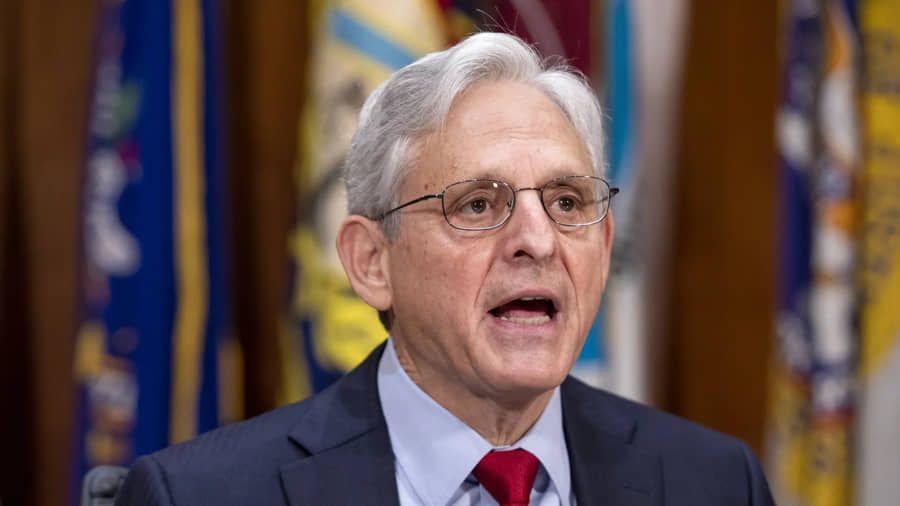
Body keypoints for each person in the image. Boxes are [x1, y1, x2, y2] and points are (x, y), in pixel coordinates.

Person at [115, 32, 774, 505]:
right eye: (478, 204)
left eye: (567, 202)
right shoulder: (199, 494)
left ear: (603, 245)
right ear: (372, 262)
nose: (538, 240)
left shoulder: (714, 483)